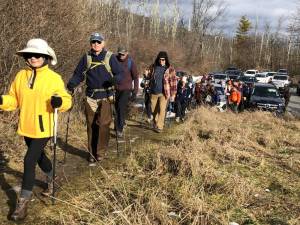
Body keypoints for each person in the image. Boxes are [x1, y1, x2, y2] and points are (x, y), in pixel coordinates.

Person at [0, 38, 72, 221]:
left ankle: (21, 205)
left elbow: (66, 100)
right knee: (39, 156)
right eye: (30, 54)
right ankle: (53, 179)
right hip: (26, 126)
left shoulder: (54, 78)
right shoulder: (20, 76)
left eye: (38, 55)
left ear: (45, 57)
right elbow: (13, 100)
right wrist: (2, 101)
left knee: (29, 159)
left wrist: (60, 102)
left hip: (45, 127)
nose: (33, 57)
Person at [67, 32, 123, 163]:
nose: (96, 44)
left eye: (98, 42)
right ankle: (92, 153)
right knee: (91, 125)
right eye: (93, 42)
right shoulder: (86, 58)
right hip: (90, 96)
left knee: (104, 124)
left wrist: (115, 80)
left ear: (103, 43)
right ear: (90, 43)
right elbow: (78, 74)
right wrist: (71, 84)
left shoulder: (110, 57)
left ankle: (100, 152)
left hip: (106, 96)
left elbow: (120, 73)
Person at [149, 51, 177, 133]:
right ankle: (155, 122)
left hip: (164, 93)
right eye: (160, 59)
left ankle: (160, 126)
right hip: (153, 92)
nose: (162, 61)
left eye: (163, 60)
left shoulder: (170, 69)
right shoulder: (153, 67)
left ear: (166, 60)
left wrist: (173, 94)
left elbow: (174, 82)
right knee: (153, 110)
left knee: (162, 110)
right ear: (158, 59)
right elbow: (148, 77)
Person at [115, 46, 139, 137]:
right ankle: (120, 124)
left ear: (127, 53)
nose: (121, 55)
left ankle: (119, 129)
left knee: (121, 107)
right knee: (116, 108)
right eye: (120, 53)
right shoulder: (114, 60)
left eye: (123, 54)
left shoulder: (130, 63)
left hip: (126, 89)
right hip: (116, 89)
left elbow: (136, 77)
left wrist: (135, 91)